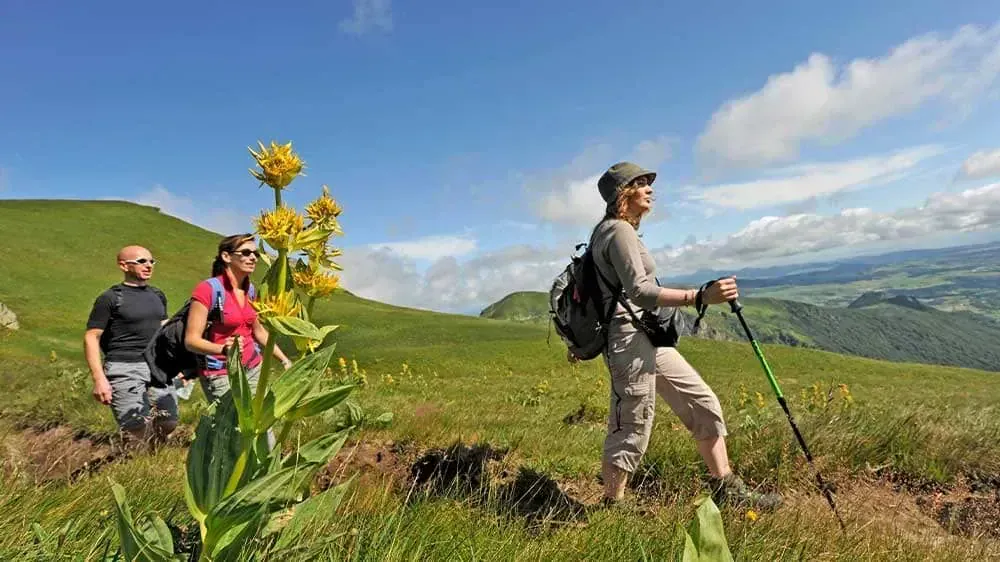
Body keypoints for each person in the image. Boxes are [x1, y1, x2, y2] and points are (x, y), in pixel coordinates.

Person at [576, 161, 782, 510]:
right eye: (640, 183)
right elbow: (639, 291)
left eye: (647, 182)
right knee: (632, 421)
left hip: (644, 336)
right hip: (629, 340)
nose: (649, 188)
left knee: (701, 402)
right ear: (622, 193)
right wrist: (699, 297)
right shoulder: (618, 232)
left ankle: (726, 487)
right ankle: (612, 505)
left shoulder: (609, 231)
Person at [84, 245, 178, 448]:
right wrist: (99, 379)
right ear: (123, 265)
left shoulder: (158, 295)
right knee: (136, 428)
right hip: (124, 366)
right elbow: (92, 337)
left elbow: (163, 327)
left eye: (152, 261)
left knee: (168, 422)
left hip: (157, 367)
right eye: (142, 261)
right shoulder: (110, 298)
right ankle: (142, 471)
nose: (149, 265)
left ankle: (157, 456)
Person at [183, 233, 292, 405]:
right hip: (222, 373)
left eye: (255, 254)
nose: (253, 258)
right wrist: (223, 350)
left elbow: (258, 331)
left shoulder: (250, 291)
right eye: (246, 253)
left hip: (253, 367)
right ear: (226, 256)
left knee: (262, 427)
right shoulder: (208, 290)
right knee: (233, 429)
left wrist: (285, 360)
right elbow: (191, 341)